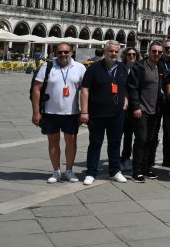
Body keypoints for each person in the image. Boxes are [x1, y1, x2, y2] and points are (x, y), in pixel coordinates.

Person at [31, 42, 86, 184]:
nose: (63, 54)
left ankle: (69, 170)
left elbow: (86, 91)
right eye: (60, 52)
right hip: (50, 112)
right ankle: (56, 171)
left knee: (71, 142)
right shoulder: (47, 66)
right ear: (56, 53)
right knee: (53, 142)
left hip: (72, 113)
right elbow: (36, 89)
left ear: (71, 52)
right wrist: (36, 112)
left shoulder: (80, 68)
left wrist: (85, 111)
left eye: (66, 52)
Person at [80, 40, 129, 185]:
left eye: (116, 51)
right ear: (105, 51)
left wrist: (126, 99)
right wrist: (84, 111)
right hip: (97, 113)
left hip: (117, 113)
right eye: (110, 51)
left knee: (115, 142)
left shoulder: (122, 68)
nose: (113, 54)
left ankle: (115, 171)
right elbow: (84, 89)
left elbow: (126, 87)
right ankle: (91, 172)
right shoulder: (94, 68)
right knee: (95, 143)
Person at [127, 41, 163, 183]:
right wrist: (136, 107)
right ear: (149, 51)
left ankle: (146, 168)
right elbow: (133, 88)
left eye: (159, 52)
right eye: (154, 51)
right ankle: (136, 172)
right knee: (141, 140)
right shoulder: (139, 66)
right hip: (142, 110)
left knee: (151, 140)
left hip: (155, 111)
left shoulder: (159, 67)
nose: (157, 54)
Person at [158, 38, 170, 175]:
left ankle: (169, 159)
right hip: (156, 101)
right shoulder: (155, 61)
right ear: (163, 48)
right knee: (153, 133)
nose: (169, 51)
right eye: (166, 48)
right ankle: (148, 160)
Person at [119, 46, 140, 172]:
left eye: (134, 54)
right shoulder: (121, 68)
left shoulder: (139, 68)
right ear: (125, 56)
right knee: (117, 134)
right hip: (121, 105)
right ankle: (117, 159)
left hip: (134, 106)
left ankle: (126, 158)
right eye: (129, 54)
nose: (131, 56)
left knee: (129, 135)